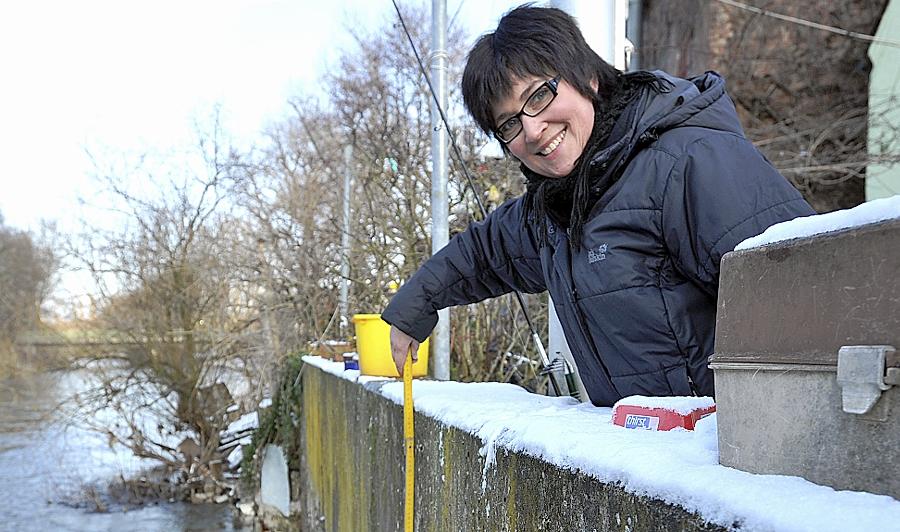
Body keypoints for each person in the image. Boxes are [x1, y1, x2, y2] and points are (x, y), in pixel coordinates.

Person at [381, 4, 815, 406]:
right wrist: (414, 306)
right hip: (646, 467)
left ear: (587, 77)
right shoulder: (553, 209)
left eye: (539, 96)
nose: (532, 131)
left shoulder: (690, 162)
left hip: (733, 469)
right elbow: (482, 254)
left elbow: (806, 297)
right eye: (509, 124)